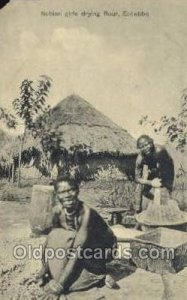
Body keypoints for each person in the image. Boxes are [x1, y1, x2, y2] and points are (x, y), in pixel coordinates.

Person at [39, 175, 117, 299]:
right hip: (83, 244)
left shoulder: (86, 213)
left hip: (103, 247)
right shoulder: (58, 211)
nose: (67, 195)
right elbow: (51, 241)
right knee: (55, 235)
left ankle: (99, 274)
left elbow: (77, 251)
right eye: (62, 192)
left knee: (68, 282)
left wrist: (59, 286)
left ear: (78, 191)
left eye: (71, 190)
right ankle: (75, 273)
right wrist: (44, 270)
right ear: (57, 195)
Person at [134, 135, 174, 212]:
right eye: (142, 147)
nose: (145, 148)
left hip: (166, 169)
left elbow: (163, 173)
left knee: (164, 190)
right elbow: (137, 178)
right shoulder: (140, 158)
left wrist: (159, 183)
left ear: (152, 142)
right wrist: (150, 182)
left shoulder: (160, 151)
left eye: (147, 144)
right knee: (141, 189)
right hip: (152, 169)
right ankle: (137, 211)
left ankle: (164, 206)